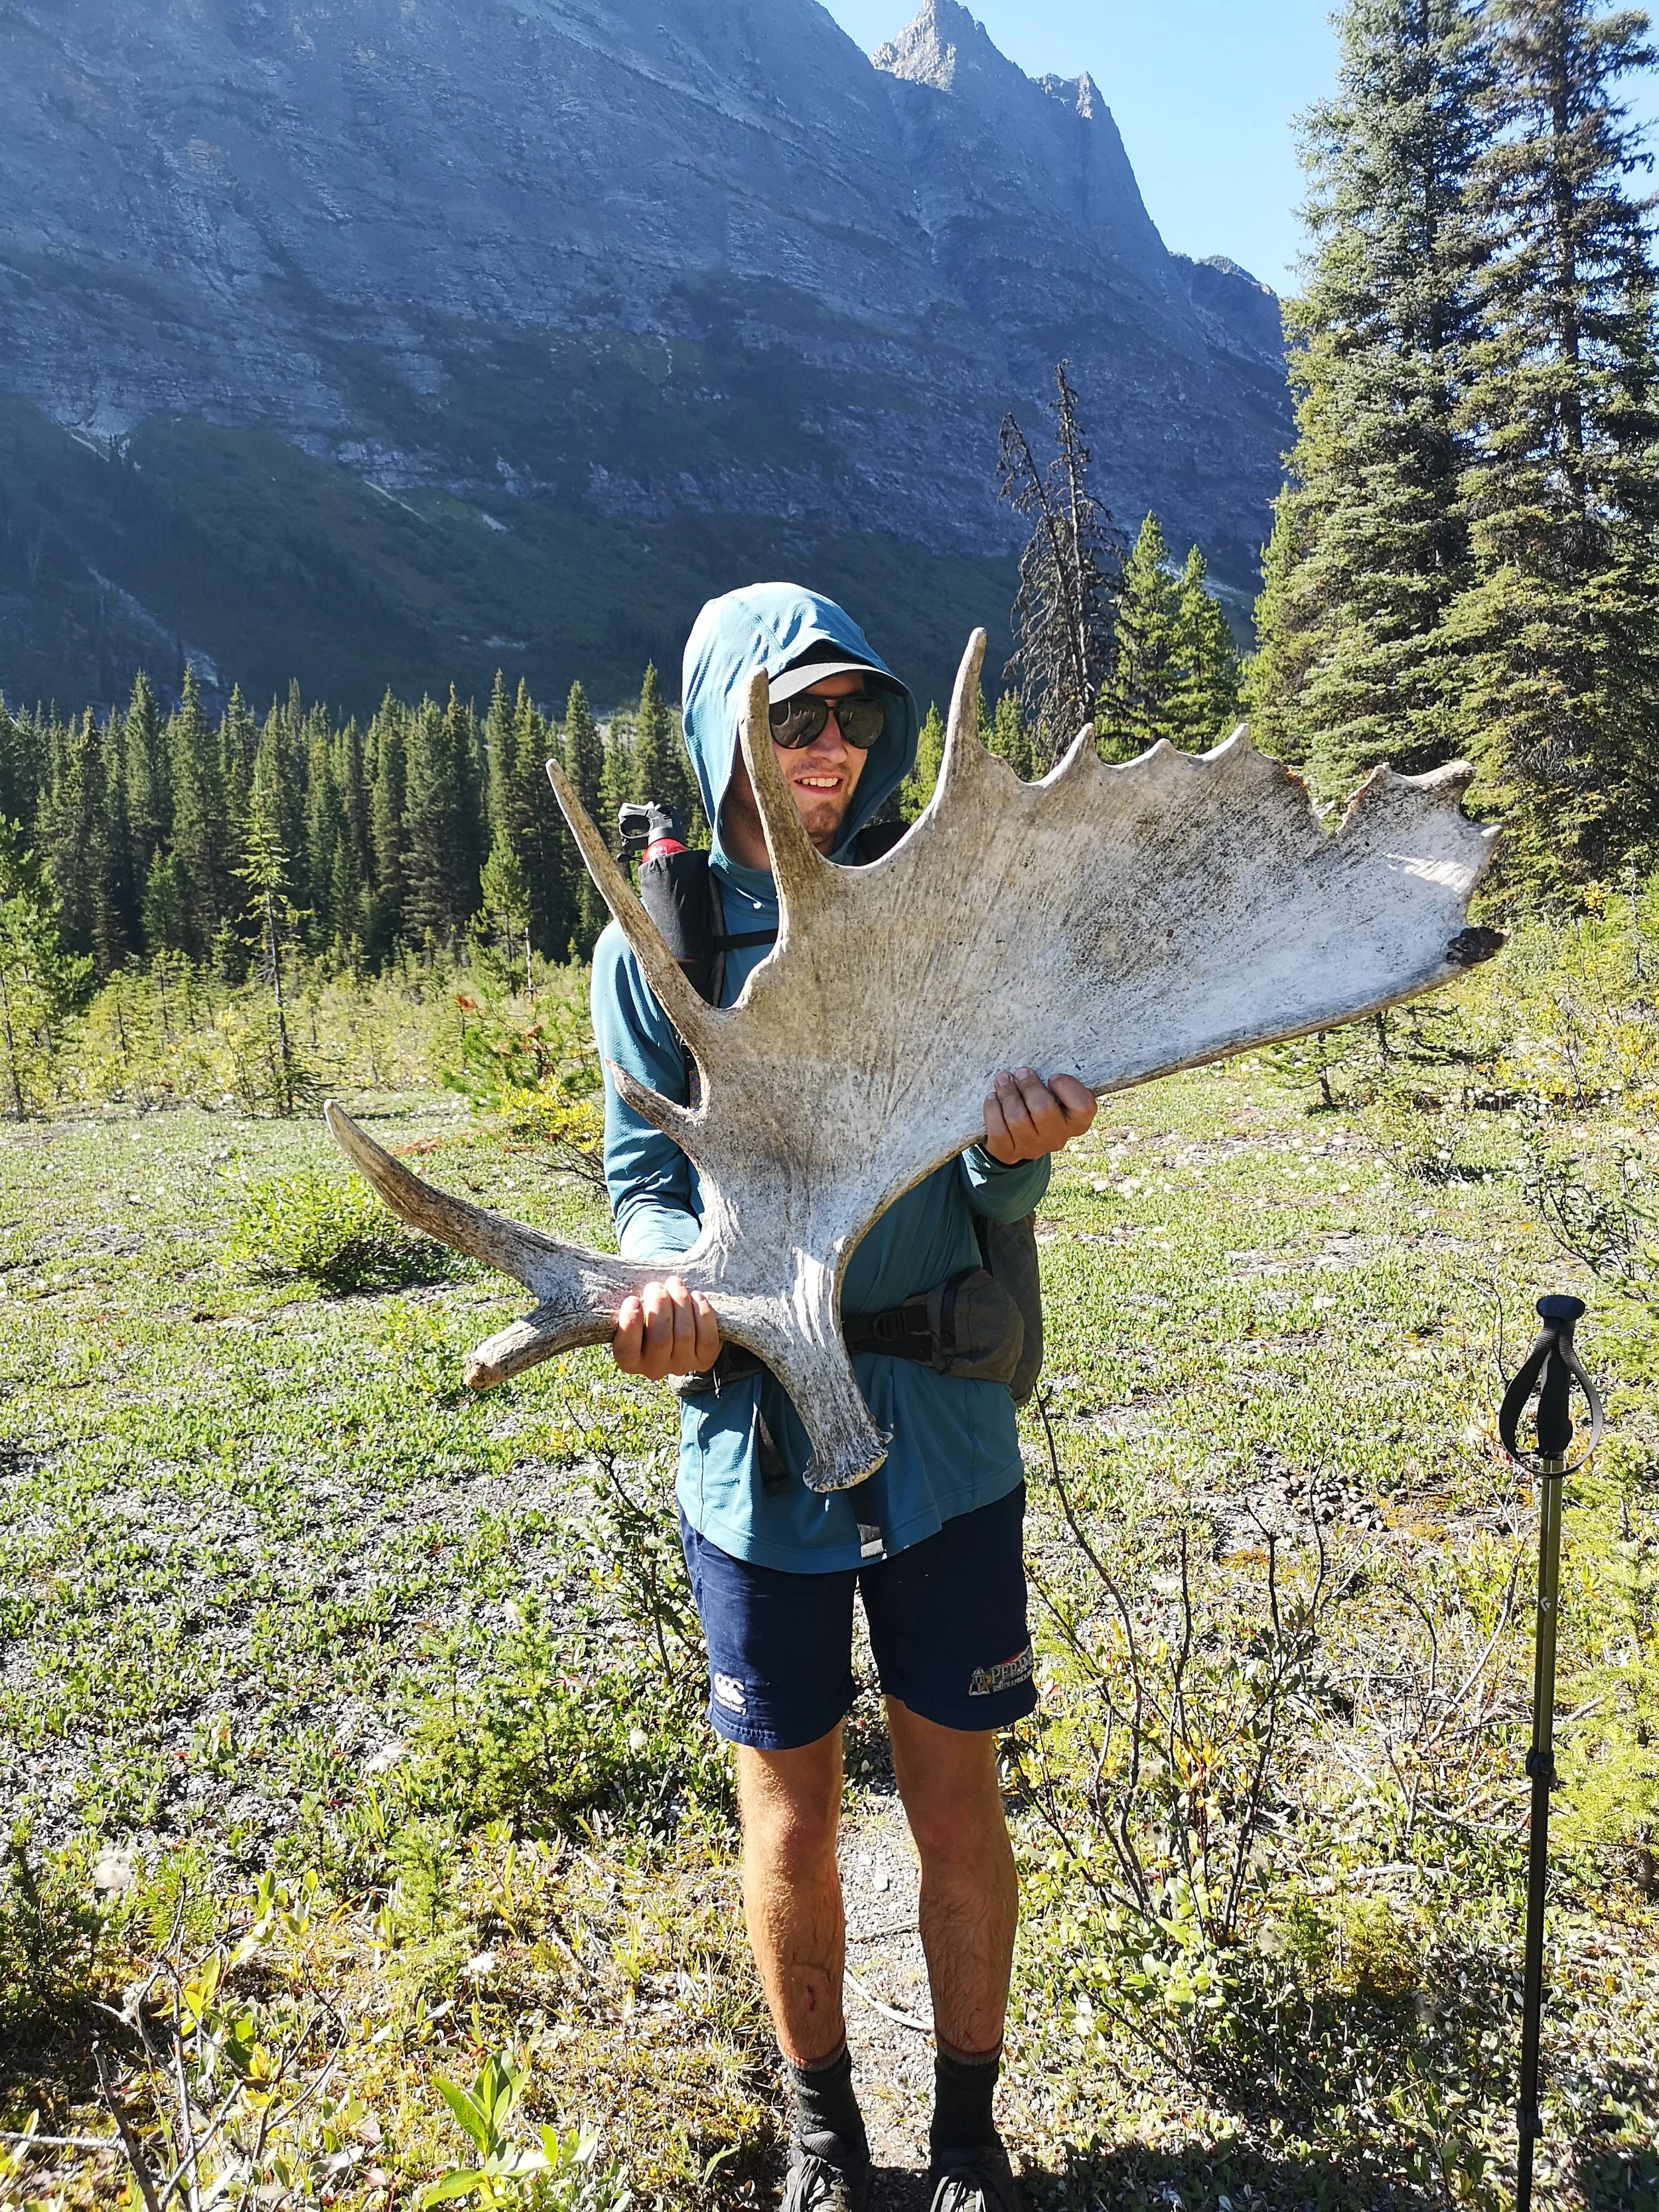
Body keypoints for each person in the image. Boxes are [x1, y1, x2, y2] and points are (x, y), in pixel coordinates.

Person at [590, 584, 1096, 2212]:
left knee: (954, 1794)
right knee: (789, 1809)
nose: (830, 747)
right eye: (792, 714)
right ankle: (824, 2137)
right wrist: (662, 1288)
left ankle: (965, 2136)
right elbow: (636, 1173)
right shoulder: (651, 938)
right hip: (755, 1447)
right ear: (722, 720)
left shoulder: (922, 912)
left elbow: (988, 1177)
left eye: (854, 714)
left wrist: (1014, 1164)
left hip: (940, 1428)